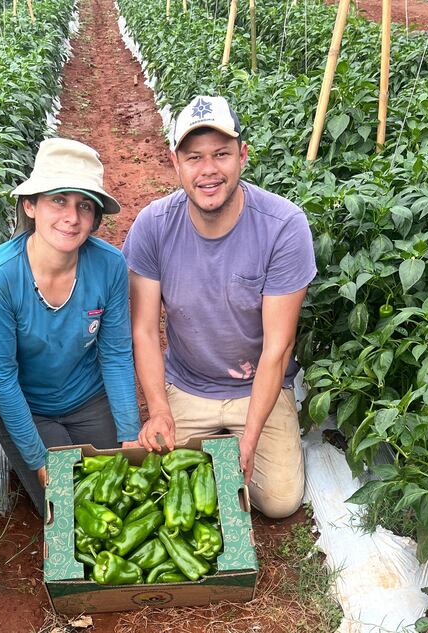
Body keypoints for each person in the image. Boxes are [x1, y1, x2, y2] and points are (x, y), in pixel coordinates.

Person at [122, 96, 317, 518]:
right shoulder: (154, 226)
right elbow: (143, 329)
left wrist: (248, 441)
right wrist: (158, 409)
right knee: (159, 489)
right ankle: (204, 434)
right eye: (194, 157)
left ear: (242, 156)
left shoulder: (283, 226)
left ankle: (238, 441)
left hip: (257, 387)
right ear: (176, 163)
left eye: (221, 154)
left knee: (279, 502)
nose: (208, 170)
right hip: (188, 383)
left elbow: (278, 347)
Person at [0, 137, 140, 515]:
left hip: (87, 398)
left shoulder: (109, 265)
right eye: (58, 200)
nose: (72, 217)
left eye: (85, 205)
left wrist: (130, 436)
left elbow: (114, 354)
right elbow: (2, 379)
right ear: (30, 205)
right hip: (30, 405)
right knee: (69, 507)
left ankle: (61, 446)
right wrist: (37, 458)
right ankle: (28, 451)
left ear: (95, 217)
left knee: (119, 495)